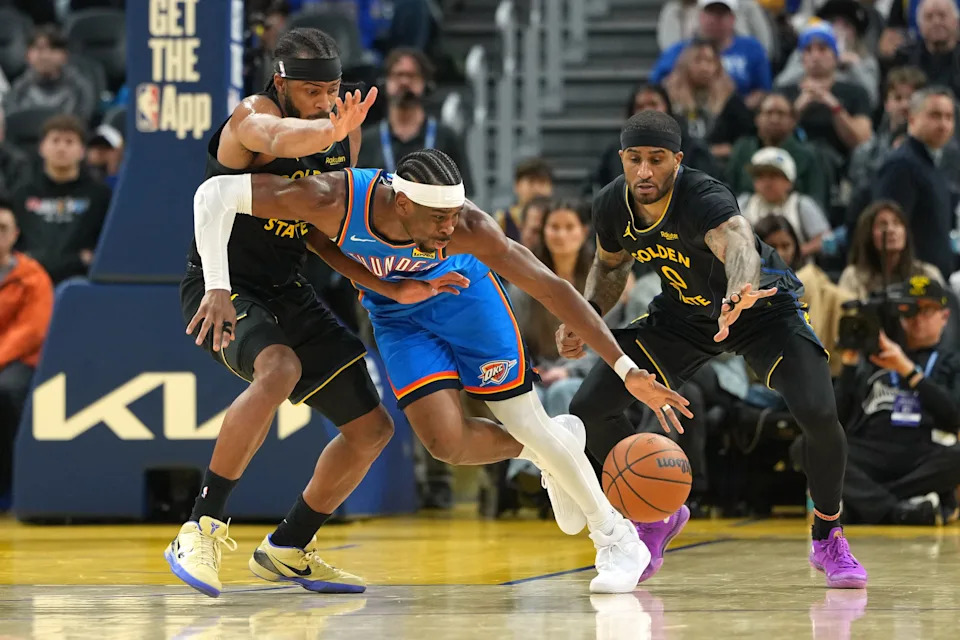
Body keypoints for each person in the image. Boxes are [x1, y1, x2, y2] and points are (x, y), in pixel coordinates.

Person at [189, 148, 696, 594]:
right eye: (439, 219)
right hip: (397, 314)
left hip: (467, 301)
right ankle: (553, 446)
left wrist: (625, 367)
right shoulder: (334, 200)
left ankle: (614, 536)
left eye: (455, 215)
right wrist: (387, 289)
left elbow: (550, 288)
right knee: (445, 443)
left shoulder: (469, 228)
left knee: (522, 420)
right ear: (403, 203)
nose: (449, 228)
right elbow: (278, 224)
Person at [562, 110, 868, 589]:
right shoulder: (610, 204)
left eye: (657, 160)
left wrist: (741, 288)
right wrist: (586, 316)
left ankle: (828, 534)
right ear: (622, 159)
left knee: (816, 410)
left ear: (677, 161)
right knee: (588, 408)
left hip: (762, 311)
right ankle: (656, 514)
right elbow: (610, 267)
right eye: (635, 159)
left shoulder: (702, 196)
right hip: (684, 314)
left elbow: (739, 241)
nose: (645, 171)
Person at [170, 28, 414, 600]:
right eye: (314, 91)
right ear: (282, 82)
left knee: (371, 427)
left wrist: (378, 282)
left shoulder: (338, 134)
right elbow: (275, 134)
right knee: (277, 370)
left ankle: (288, 548)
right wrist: (330, 127)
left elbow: (322, 228)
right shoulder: (252, 117)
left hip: (286, 286)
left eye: (334, 89)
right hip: (220, 287)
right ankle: (200, 526)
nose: (327, 100)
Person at [807, 277, 960, 525]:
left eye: (927, 310)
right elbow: (835, 419)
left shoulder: (952, 362)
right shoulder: (872, 357)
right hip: (870, 451)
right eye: (909, 310)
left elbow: (953, 417)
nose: (917, 319)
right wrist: (848, 364)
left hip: (919, 453)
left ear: (944, 316)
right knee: (808, 446)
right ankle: (899, 510)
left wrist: (907, 370)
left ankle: (866, 504)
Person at [12, 114, 111, 284]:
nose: (61, 148)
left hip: (81, 283)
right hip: (28, 281)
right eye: (55, 140)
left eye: (69, 142)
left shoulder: (100, 196)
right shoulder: (21, 194)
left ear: (82, 151)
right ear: (41, 147)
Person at [873, 86, 957, 282]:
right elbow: (888, 232)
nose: (943, 124)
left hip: (934, 280)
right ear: (912, 119)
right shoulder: (901, 165)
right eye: (935, 116)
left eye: (949, 117)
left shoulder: (932, 164)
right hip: (911, 282)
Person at [0, 203, 53, 509]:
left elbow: (31, 331)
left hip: (19, 361)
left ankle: (8, 484)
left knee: (5, 392)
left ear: (16, 234)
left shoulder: (31, 276)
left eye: (3, 229)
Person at [839, 200, 945, 300]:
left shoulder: (927, 274)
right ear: (868, 234)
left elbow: (943, 314)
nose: (891, 230)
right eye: (882, 224)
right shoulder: (853, 277)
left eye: (897, 223)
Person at [737, 147, 831, 258]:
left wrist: (793, 253)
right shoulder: (744, 203)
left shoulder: (802, 204)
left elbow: (825, 239)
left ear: (789, 181)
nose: (767, 183)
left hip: (797, 272)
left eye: (773, 176)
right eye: (760, 176)